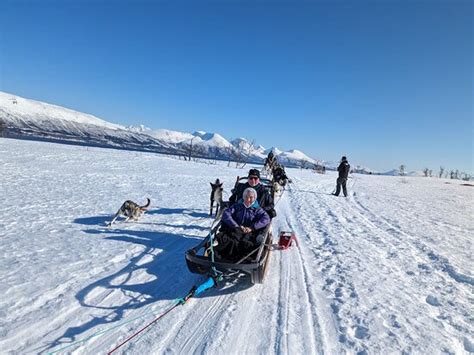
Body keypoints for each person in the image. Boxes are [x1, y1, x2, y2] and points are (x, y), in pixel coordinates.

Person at [216, 188, 270, 259]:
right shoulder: (237, 206)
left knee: (247, 243)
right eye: (246, 197)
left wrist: (252, 227)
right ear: (243, 197)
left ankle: (243, 258)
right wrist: (235, 225)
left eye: (251, 197)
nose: (248, 200)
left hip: (250, 232)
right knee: (228, 239)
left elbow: (266, 218)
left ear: (254, 198)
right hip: (236, 229)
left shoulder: (257, 209)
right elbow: (226, 214)